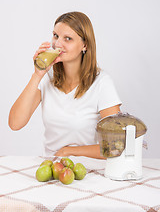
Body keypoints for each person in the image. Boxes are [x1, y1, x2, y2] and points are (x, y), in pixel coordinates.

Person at [8, 11, 122, 159]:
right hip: (51, 168)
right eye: (55, 36)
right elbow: (15, 124)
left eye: (68, 38)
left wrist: (71, 151)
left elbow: (116, 145)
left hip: (86, 171)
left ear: (84, 45)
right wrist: (37, 75)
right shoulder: (46, 78)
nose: (57, 44)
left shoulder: (102, 83)